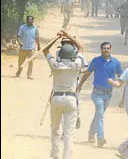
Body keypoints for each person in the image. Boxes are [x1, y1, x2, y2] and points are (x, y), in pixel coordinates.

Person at [42, 30, 84, 159]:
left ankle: (55, 154)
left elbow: (45, 50)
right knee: (69, 133)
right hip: (71, 99)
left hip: (56, 98)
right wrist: (67, 34)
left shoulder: (55, 64)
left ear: (60, 53)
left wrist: (57, 37)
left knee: (55, 129)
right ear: (73, 54)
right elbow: (81, 47)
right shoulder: (76, 64)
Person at [76, 42, 123, 147]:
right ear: (101, 50)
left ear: (111, 49)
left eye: (107, 48)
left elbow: (122, 77)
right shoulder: (96, 61)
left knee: (99, 115)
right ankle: (100, 138)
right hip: (97, 93)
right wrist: (80, 85)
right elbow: (88, 73)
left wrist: (123, 85)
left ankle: (91, 134)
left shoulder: (115, 62)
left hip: (108, 94)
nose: (106, 50)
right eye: (103, 48)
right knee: (100, 115)